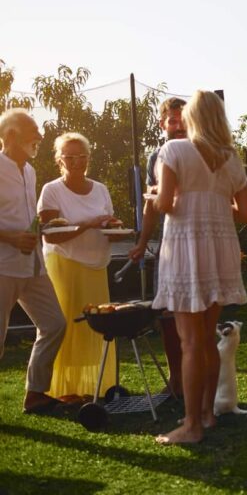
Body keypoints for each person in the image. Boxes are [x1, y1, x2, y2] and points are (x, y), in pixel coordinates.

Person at [153, 90, 247, 445]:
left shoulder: (173, 151)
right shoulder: (232, 159)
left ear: (192, 117)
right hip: (221, 247)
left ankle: (191, 425)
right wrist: (215, 202)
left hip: (186, 248)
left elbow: (165, 203)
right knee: (206, 338)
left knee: (190, 341)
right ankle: (208, 415)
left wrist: (157, 198)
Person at [38, 132, 121, 401]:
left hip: (96, 265)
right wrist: (89, 224)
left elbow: (105, 222)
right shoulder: (52, 190)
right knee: (67, 326)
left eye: (81, 156)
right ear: (59, 160)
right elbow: (50, 234)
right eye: (70, 157)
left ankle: (94, 387)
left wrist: (113, 227)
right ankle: (63, 389)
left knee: (96, 327)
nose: (76, 162)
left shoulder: (100, 189)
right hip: (65, 264)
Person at [0, 108, 66, 413]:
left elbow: (25, 215)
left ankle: (35, 394)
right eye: (33, 131)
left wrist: (44, 226)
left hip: (33, 264)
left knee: (54, 323)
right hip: (3, 265)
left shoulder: (29, 170)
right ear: (10, 136)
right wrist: (11, 238)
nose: (39, 136)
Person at [128, 97, 185, 397]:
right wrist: (141, 242)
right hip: (168, 243)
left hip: (196, 241)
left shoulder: (200, 151)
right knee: (167, 314)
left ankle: (199, 381)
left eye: (183, 119)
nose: (179, 126)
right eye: (173, 120)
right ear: (162, 124)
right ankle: (176, 380)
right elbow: (151, 207)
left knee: (197, 314)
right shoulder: (155, 158)